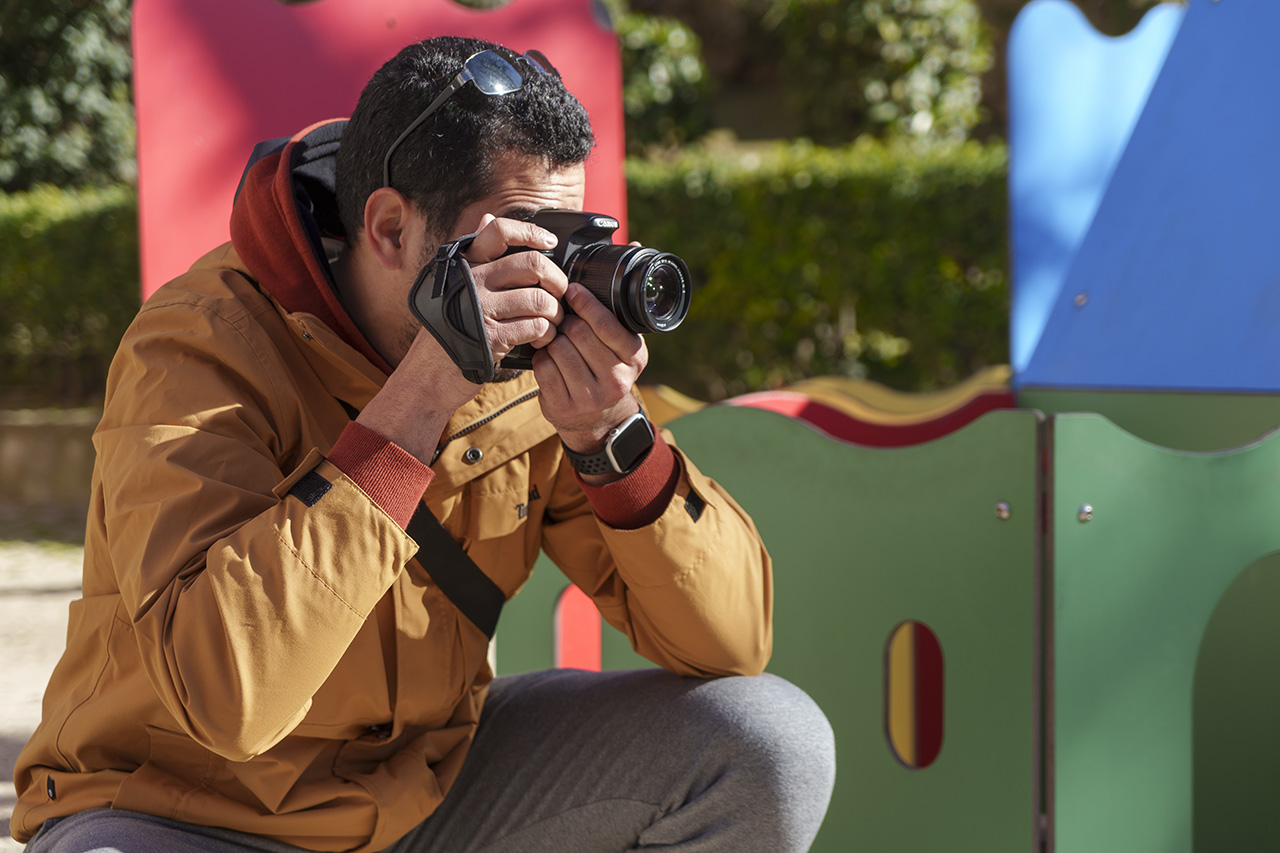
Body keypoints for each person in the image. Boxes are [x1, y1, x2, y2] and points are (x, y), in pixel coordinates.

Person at [10, 35, 835, 853]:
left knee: (765, 740)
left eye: (567, 239)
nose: (544, 279)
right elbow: (229, 696)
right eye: (519, 243)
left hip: (421, 795)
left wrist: (611, 436)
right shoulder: (196, 348)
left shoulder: (526, 366)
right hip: (183, 810)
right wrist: (423, 393)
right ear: (391, 227)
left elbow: (729, 643)